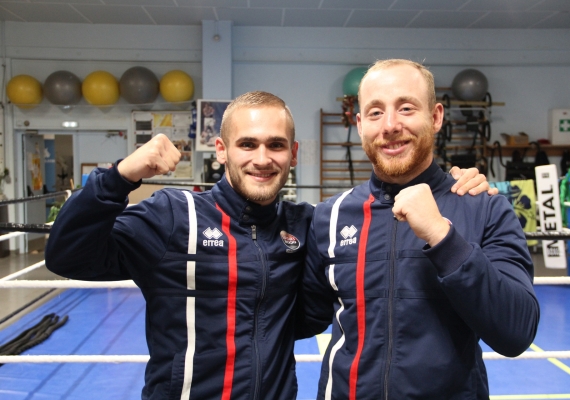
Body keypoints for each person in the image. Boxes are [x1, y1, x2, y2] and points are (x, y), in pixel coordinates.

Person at [45, 91, 495, 400]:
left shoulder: (304, 223)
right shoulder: (172, 215)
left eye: (276, 145)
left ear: (293, 154)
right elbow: (67, 255)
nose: (263, 159)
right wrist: (120, 175)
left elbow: (314, 310)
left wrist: (451, 181)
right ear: (221, 150)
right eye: (247, 144)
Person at [299, 60, 540, 400]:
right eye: (375, 112)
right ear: (360, 124)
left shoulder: (483, 207)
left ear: (436, 116)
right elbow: (299, 319)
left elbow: (517, 331)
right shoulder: (331, 216)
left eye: (406, 108)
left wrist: (444, 238)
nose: (391, 125)